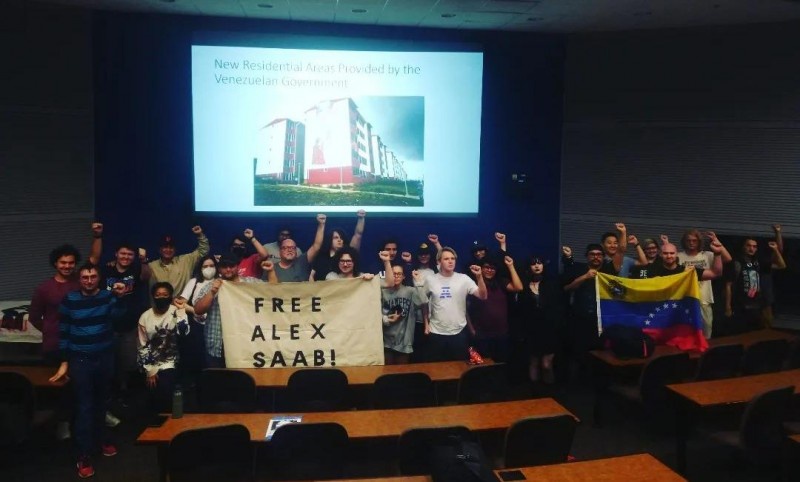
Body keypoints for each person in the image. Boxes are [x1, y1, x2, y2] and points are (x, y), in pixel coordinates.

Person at [48, 263, 126, 479]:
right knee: (84, 406)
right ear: (79, 279)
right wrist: (64, 360)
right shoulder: (70, 300)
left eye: (93, 276)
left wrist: (119, 297)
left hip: (105, 358)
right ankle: (83, 454)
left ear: (98, 278)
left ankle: (101, 440)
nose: (89, 280)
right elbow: (64, 331)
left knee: (102, 403)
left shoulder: (107, 297)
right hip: (80, 360)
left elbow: (120, 317)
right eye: (85, 277)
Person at [29, 223, 102, 440]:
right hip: (54, 346)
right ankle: (62, 423)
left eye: (71, 263)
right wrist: (52, 330)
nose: (67, 266)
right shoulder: (44, 288)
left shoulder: (80, 283)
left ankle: (85, 418)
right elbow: (34, 317)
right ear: (55, 264)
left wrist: (97, 236)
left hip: (80, 344)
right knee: (59, 388)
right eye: (63, 262)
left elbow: (94, 260)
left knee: (81, 385)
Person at [194, 256, 278, 367]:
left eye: (231, 266)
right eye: (224, 267)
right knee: (216, 382)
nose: (228, 269)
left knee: (241, 381)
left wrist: (271, 271)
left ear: (237, 266)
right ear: (219, 269)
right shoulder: (211, 286)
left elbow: (274, 291)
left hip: (245, 344)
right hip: (218, 343)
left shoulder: (249, 283)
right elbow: (198, 310)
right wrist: (212, 292)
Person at [423, 247, 487, 362]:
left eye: (453, 259)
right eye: (446, 259)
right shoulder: (430, 279)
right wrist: (426, 324)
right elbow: (424, 302)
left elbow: (483, 296)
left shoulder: (463, 279)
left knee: (459, 369)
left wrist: (479, 276)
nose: (450, 261)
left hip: (459, 332)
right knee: (437, 370)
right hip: (436, 332)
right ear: (439, 262)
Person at [137, 282, 189, 417]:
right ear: (153, 297)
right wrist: (150, 370)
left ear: (171, 296)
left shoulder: (176, 311)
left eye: (165, 295)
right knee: (152, 395)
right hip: (151, 361)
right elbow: (142, 344)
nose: (161, 297)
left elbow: (184, 333)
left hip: (171, 361)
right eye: (158, 295)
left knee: (166, 390)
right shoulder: (145, 316)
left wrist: (181, 312)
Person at [513, 255, 564, 384]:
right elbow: (520, 311)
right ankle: (534, 395)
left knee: (547, 365)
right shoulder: (523, 286)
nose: (537, 266)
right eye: (533, 264)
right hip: (531, 331)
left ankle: (549, 396)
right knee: (533, 363)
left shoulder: (551, 284)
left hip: (549, 331)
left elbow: (558, 307)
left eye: (539, 263)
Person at [676, 230, 732, 338]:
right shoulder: (678, 256)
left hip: (704, 299)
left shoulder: (707, 255)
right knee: (686, 332)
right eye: (688, 240)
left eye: (694, 241)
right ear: (684, 242)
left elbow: (728, 258)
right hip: (684, 300)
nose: (691, 243)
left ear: (699, 242)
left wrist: (717, 241)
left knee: (706, 331)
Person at [724, 236, 786, 334]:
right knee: (742, 333)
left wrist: (775, 249)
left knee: (758, 333)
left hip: (757, 306)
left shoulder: (758, 262)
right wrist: (728, 307)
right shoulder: (737, 263)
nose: (751, 248)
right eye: (748, 245)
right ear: (743, 247)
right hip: (741, 305)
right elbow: (728, 285)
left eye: (754, 246)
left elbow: (781, 265)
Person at [467, 255, 523, 363]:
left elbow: (518, 287)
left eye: (492, 268)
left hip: (501, 333)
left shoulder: (501, 282)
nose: (489, 270)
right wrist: (472, 330)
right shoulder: (473, 283)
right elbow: (465, 309)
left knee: (500, 365)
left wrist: (511, 266)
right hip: (481, 334)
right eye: (486, 267)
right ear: (481, 268)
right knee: (482, 366)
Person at [174, 255, 218, 374]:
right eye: (205, 266)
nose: (209, 268)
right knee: (199, 357)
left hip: (217, 328)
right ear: (200, 268)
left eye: (212, 266)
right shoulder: (194, 282)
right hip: (198, 326)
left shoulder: (221, 281)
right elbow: (180, 301)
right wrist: (193, 310)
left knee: (214, 359)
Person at [382, 265, 428, 364]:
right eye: (394, 274)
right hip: (386, 342)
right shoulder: (383, 292)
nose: (396, 276)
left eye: (399, 274)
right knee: (387, 374)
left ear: (403, 277)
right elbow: (375, 315)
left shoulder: (410, 291)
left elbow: (423, 301)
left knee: (402, 374)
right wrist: (386, 319)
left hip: (404, 342)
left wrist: (418, 282)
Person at [147, 225, 210, 294]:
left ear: (175, 249)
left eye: (171, 247)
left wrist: (200, 234)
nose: (168, 250)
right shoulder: (151, 266)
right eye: (165, 247)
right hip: (158, 304)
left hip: (181, 304)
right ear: (159, 250)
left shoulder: (186, 261)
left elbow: (203, 251)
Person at [311, 209, 366, 280]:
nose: (339, 240)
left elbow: (358, 235)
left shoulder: (348, 253)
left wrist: (361, 218)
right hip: (322, 290)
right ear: (330, 240)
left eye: (341, 238)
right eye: (336, 238)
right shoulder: (321, 257)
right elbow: (311, 275)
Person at [274, 214, 326, 282]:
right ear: (280, 251)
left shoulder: (302, 262)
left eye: (293, 248)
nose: (290, 250)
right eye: (286, 248)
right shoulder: (272, 268)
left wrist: (321, 225)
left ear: (296, 251)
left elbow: (316, 246)